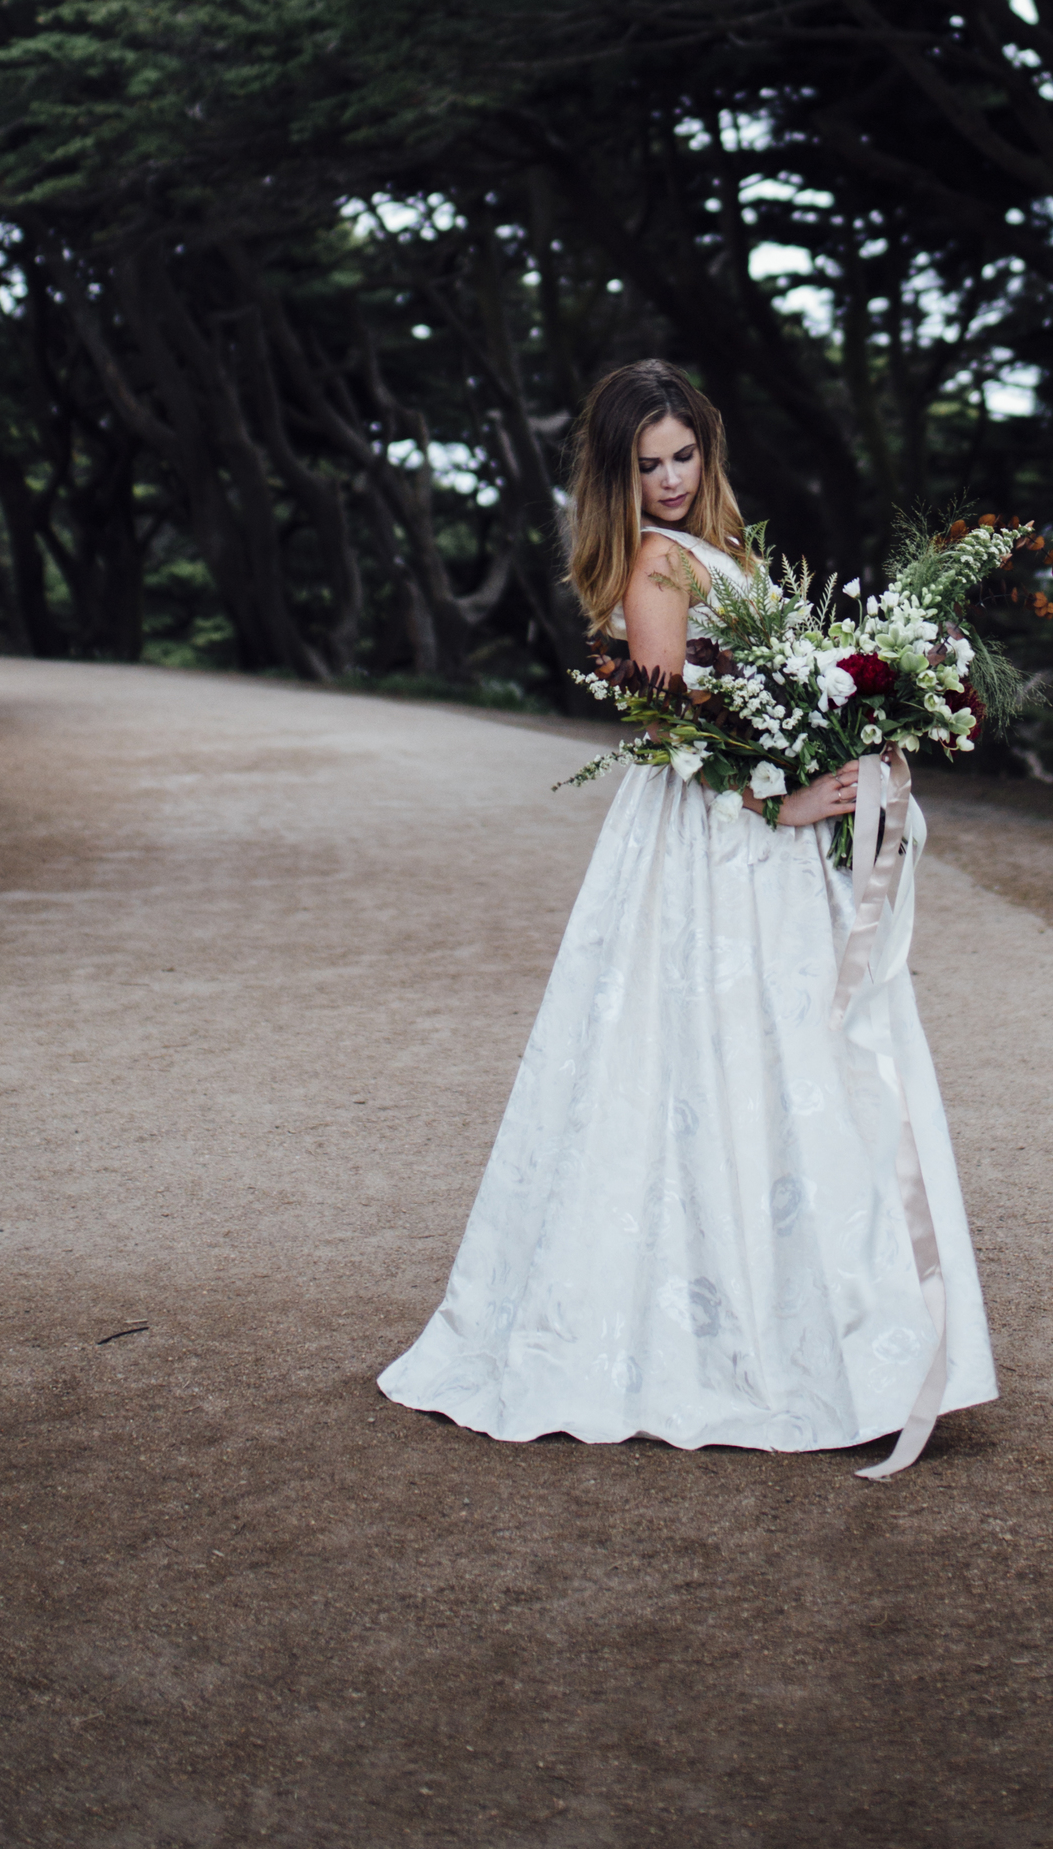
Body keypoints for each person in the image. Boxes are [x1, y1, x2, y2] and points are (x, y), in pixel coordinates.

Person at [378, 358, 996, 1474]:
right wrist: (788, 792)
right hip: (714, 848)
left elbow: (752, 695)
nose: (668, 478)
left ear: (704, 449)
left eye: (682, 454)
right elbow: (669, 725)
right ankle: (743, 1341)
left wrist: (845, 722)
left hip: (762, 853)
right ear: (617, 476)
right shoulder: (658, 566)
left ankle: (832, 1339)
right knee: (713, 1063)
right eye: (645, 463)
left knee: (786, 1063)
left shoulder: (721, 552)